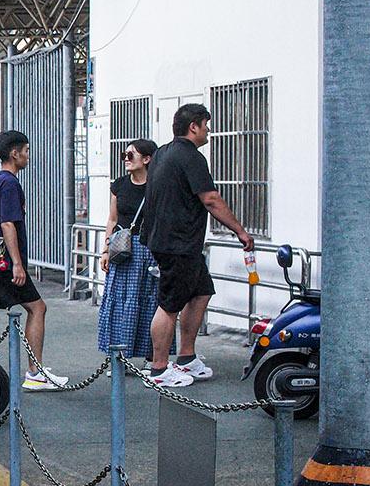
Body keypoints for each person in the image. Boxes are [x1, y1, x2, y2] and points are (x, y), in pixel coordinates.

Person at [138, 103, 255, 387]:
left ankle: (187, 358)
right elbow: (211, 199)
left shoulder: (163, 152)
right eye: (206, 125)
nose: (209, 131)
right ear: (194, 126)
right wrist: (240, 231)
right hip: (177, 243)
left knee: (201, 291)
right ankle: (159, 368)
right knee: (169, 304)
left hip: (174, 241)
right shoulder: (191, 157)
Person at [0, 130, 68, 391]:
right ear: (15, 153)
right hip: (4, 263)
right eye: (25, 150)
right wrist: (18, 263)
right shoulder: (10, 183)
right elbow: (8, 224)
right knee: (37, 308)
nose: (28, 155)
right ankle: (35, 371)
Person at [97, 138, 160, 360]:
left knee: (149, 301)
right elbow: (112, 219)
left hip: (148, 250)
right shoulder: (120, 185)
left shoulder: (156, 184)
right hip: (122, 250)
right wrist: (105, 250)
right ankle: (117, 356)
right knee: (118, 302)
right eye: (124, 155)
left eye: (130, 155)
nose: (126, 159)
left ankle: (151, 357)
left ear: (146, 159)